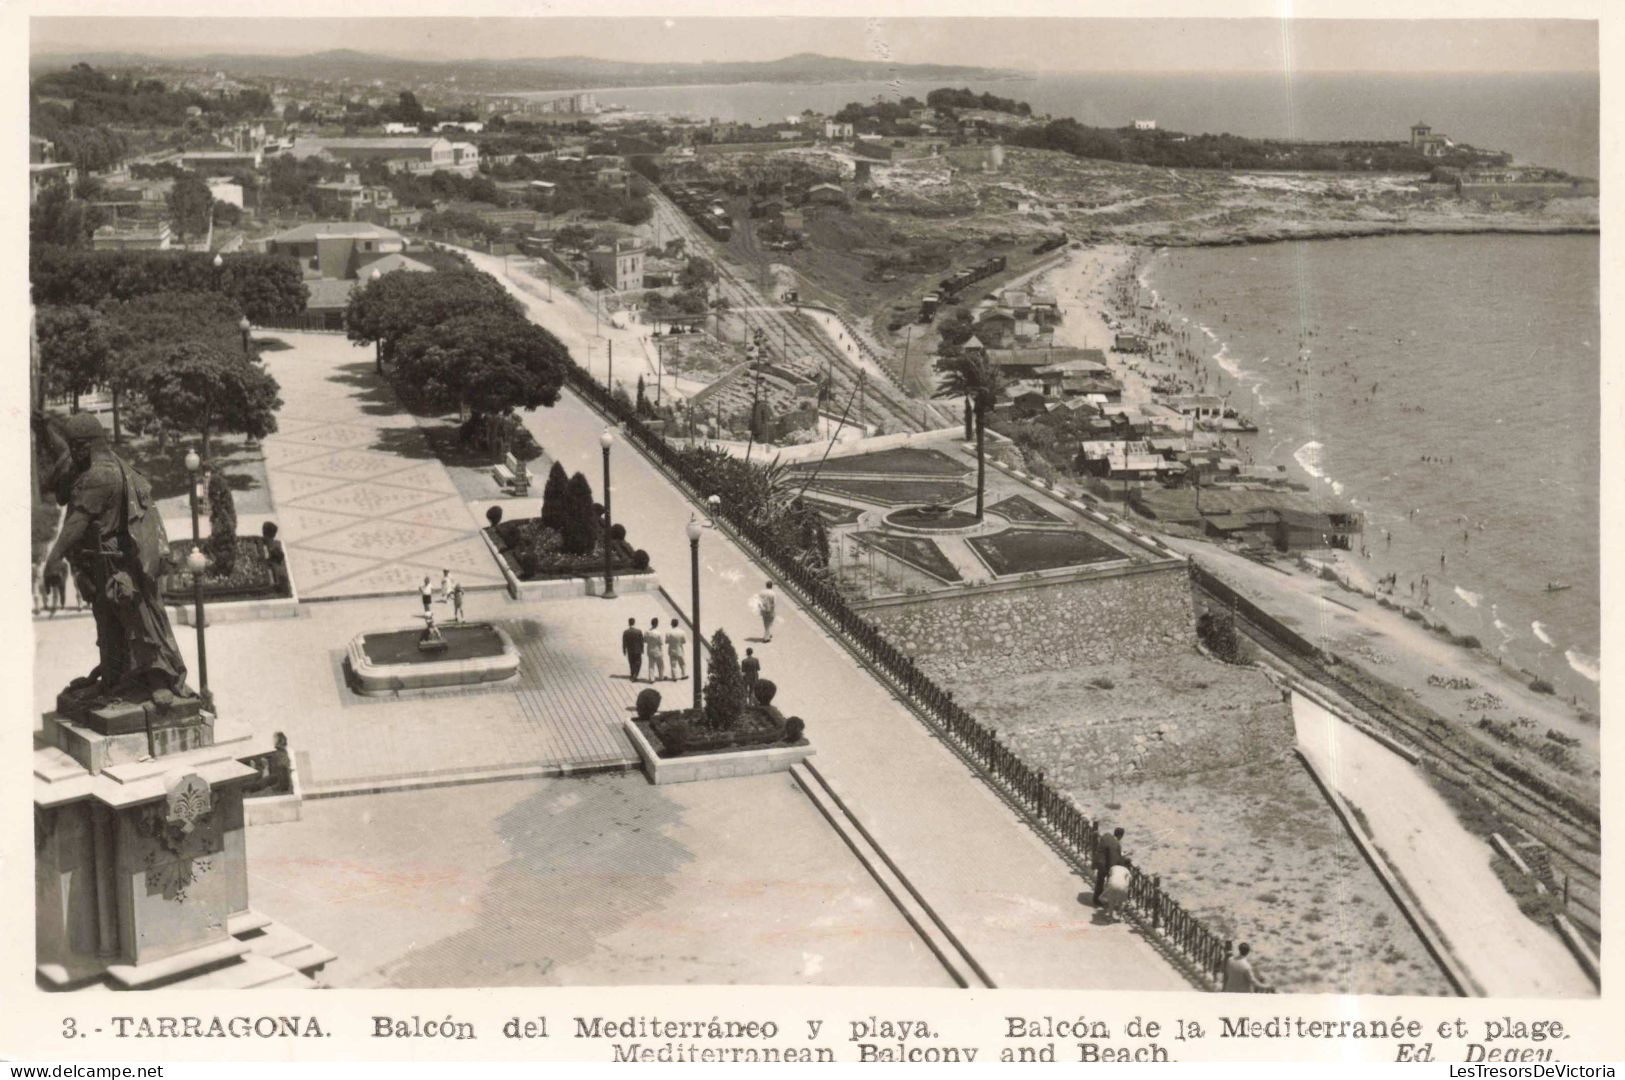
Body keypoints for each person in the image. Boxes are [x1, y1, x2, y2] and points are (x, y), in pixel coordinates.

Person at [1093, 826, 1125, 908]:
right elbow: (1113, 859)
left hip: (1099, 861)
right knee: (1107, 883)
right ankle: (1101, 900)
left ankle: (1096, 898)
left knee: (1099, 881)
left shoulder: (1106, 835)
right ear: (1120, 836)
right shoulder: (1116, 845)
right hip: (1104, 865)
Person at [621, 617, 644, 681]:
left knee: (631, 662)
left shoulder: (626, 632)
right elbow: (641, 641)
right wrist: (642, 649)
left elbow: (624, 642)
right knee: (638, 662)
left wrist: (624, 650)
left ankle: (632, 673)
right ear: (634, 622)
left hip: (630, 650)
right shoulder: (638, 631)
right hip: (637, 650)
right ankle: (635, 675)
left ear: (629, 623)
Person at [645, 616, 666, 682]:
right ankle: (661, 677)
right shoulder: (658, 633)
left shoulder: (647, 632)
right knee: (660, 665)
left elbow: (645, 640)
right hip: (657, 651)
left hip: (650, 650)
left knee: (651, 665)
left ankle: (651, 678)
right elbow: (661, 642)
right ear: (657, 624)